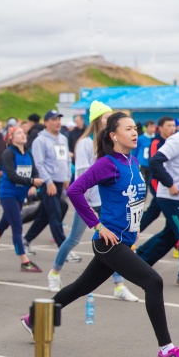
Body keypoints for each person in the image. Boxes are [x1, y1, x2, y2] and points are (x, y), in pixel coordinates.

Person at [22, 112, 179, 357]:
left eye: (135, 128)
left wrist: (134, 226)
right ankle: (166, 351)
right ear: (113, 135)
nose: (134, 132)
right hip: (109, 242)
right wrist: (96, 225)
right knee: (154, 281)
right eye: (128, 128)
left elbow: (132, 200)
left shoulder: (130, 162)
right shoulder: (107, 163)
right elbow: (75, 190)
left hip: (123, 239)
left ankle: (34, 319)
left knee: (80, 287)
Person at [44, 101, 137, 300]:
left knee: (114, 242)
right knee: (74, 239)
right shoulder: (86, 143)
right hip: (88, 200)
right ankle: (55, 272)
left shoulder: (113, 143)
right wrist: (85, 201)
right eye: (106, 117)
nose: (110, 120)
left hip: (105, 202)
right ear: (96, 120)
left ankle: (119, 285)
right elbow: (82, 174)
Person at [0, 127, 43, 271]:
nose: (23, 134)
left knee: (3, 225)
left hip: (21, 195)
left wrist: (34, 185)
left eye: (24, 132)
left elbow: (35, 172)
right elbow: (11, 175)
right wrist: (31, 182)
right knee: (17, 226)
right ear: (11, 138)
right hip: (8, 194)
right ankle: (24, 260)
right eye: (19, 133)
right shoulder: (8, 153)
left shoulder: (28, 153)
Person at [23, 110, 71, 254]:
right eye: (54, 119)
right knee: (55, 214)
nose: (58, 122)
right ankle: (64, 250)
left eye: (59, 119)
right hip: (47, 184)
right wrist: (48, 182)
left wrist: (67, 177)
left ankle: (25, 241)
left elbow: (67, 160)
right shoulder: (40, 140)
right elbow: (39, 163)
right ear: (46, 122)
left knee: (44, 216)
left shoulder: (63, 139)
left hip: (59, 183)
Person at [136, 129, 179, 282]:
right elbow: (155, 161)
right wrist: (169, 184)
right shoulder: (176, 140)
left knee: (169, 236)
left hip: (177, 199)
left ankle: (140, 262)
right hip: (171, 198)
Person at [139, 117, 176, 232]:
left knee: (155, 213)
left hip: (170, 185)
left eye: (173, 126)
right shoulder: (156, 143)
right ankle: (131, 236)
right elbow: (155, 165)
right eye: (168, 126)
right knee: (162, 213)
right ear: (160, 128)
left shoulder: (174, 142)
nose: (172, 129)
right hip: (158, 184)